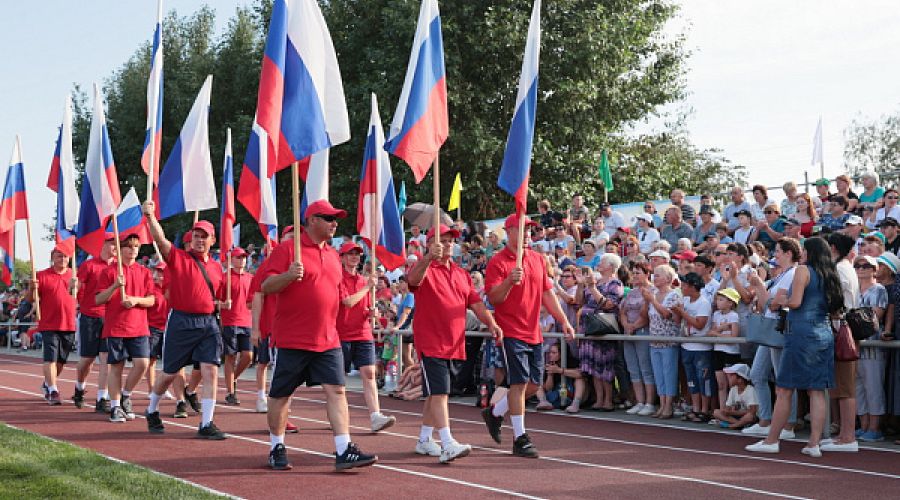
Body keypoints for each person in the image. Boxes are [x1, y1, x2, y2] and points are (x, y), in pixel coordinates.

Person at [258, 201, 378, 471]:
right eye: (328, 218)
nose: (334, 223)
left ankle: (343, 448)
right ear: (312, 220)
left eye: (336, 218)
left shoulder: (334, 255)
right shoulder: (288, 249)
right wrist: (288, 276)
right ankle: (277, 446)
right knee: (281, 395)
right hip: (292, 339)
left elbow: (337, 297)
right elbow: (266, 285)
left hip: (328, 338)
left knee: (337, 389)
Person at [407, 223, 502, 463]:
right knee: (440, 392)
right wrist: (428, 257)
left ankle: (424, 439)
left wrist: (491, 324)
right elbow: (413, 280)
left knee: (435, 394)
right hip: (430, 340)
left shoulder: (461, 273)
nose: (448, 244)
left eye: (451, 240)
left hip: (453, 341)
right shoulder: (424, 267)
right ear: (430, 244)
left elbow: (476, 304)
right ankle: (448, 442)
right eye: (443, 240)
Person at [483, 214, 575, 458]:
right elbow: (494, 298)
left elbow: (547, 294)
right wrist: (509, 282)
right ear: (509, 231)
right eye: (521, 230)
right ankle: (520, 438)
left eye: (529, 231)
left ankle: (494, 413)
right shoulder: (497, 262)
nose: (526, 235)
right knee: (519, 383)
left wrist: (563, 320)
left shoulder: (537, 259)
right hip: (509, 330)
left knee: (535, 385)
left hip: (533, 331)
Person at [746, 237, 844, 458]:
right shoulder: (830, 274)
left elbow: (796, 302)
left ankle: (772, 440)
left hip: (800, 333)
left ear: (809, 252)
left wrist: (781, 301)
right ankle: (813, 443)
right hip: (823, 334)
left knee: (784, 389)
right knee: (817, 391)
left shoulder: (803, 270)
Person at [141, 200, 226, 440]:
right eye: (196, 235)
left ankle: (207, 422)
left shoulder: (218, 268)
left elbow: (213, 294)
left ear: (212, 240)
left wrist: (220, 305)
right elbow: (161, 241)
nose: (200, 240)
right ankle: (152, 409)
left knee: (210, 370)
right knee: (169, 373)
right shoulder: (178, 258)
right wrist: (150, 216)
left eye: (204, 236)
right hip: (181, 322)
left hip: (208, 324)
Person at [743, 238, 800, 440]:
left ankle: (788, 424)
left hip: (779, 330)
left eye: (777, 251)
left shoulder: (792, 274)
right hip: (769, 330)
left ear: (788, 253)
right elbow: (763, 304)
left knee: (783, 380)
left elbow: (773, 304)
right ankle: (766, 420)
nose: (774, 255)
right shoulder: (781, 275)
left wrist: (759, 285)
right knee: (758, 374)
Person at [336, 241, 396, 433]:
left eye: (357, 254)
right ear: (343, 257)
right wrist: (366, 288)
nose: (354, 257)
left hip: (362, 333)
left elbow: (365, 308)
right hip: (341, 333)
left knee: (369, 373)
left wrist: (373, 314)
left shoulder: (364, 281)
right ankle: (339, 415)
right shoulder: (339, 279)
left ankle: (375, 416)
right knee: (339, 380)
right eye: (350, 254)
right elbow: (348, 302)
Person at [96, 233, 155, 423]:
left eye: (136, 247)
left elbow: (152, 299)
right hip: (116, 327)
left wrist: (136, 300)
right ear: (120, 250)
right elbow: (98, 299)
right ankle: (115, 406)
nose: (133, 250)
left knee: (143, 364)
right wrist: (115, 286)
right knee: (116, 367)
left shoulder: (144, 272)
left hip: (139, 327)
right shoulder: (108, 272)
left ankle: (126, 395)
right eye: (129, 246)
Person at [825, 232, 860, 452]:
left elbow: (835, 301)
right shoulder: (845, 267)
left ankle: (848, 437)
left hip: (843, 330)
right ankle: (844, 434)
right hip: (843, 329)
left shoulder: (840, 269)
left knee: (846, 387)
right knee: (842, 385)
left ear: (834, 248)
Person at [576, 254, 624, 411]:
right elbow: (579, 302)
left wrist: (592, 287)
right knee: (594, 368)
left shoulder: (615, 283)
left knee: (605, 367)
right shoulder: (594, 281)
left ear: (610, 266)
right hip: (589, 329)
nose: (599, 264)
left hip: (604, 330)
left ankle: (608, 400)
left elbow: (609, 305)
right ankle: (599, 399)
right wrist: (580, 285)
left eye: (602, 262)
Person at [73, 238, 116, 412]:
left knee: (106, 359)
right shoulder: (89, 265)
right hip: (90, 316)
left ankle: (101, 398)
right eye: (112, 243)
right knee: (87, 360)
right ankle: (79, 386)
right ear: (103, 244)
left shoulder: (118, 267)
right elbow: (77, 289)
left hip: (110, 318)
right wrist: (74, 289)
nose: (115, 247)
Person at [30, 248, 77, 406]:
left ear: (69, 258)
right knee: (50, 357)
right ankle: (53, 390)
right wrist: (32, 288)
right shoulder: (42, 276)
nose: (62, 258)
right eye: (59, 256)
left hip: (69, 323)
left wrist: (77, 286)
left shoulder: (74, 276)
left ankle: (48, 382)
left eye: (65, 256)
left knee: (60, 361)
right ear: (52, 258)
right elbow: (30, 299)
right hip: (48, 323)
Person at [854, 255, 888, 442]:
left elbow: (875, 316)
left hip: (872, 346)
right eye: (857, 265)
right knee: (858, 388)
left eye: (866, 265)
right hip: (855, 346)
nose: (861, 268)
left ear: (874, 269)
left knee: (873, 388)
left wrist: (853, 318)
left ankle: (875, 428)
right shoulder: (853, 289)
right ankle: (864, 425)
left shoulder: (879, 289)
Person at [672, 272, 713, 422]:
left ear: (693, 287)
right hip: (687, 345)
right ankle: (695, 409)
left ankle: (704, 410)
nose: (682, 287)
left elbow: (699, 324)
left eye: (685, 285)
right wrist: (677, 311)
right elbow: (678, 321)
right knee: (691, 380)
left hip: (701, 348)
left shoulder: (704, 302)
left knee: (703, 379)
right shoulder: (686, 300)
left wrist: (682, 312)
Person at [643, 264, 681, 419]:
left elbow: (667, 314)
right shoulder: (652, 293)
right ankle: (662, 403)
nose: (654, 277)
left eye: (658, 275)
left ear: (668, 278)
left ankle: (668, 405)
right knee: (658, 374)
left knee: (669, 374)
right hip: (654, 341)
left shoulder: (673, 295)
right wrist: (648, 300)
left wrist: (652, 300)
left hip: (669, 341)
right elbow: (645, 315)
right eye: (654, 274)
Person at [620, 262, 657, 416]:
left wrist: (634, 326)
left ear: (647, 274)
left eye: (638, 273)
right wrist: (626, 325)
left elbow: (647, 314)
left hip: (643, 332)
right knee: (633, 369)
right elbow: (622, 311)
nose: (634, 276)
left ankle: (649, 403)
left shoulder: (652, 291)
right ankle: (639, 402)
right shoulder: (631, 292)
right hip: (629, 334)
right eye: (633, 273)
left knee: (645, 368)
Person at [219, 247, 253, 406]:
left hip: (247, 321)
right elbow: (217, 300)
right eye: (238, 257)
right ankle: (230, 393)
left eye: (244, 258)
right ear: (231, 260)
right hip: (230, 322)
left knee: (248, 356)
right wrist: (222, 306)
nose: (242, 260)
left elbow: (253, 300)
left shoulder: (250, 278)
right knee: (230, 357)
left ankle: (233, 379)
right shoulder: (225, 278)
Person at [145, 262, 175, 413]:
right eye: (157, 272)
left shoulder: (171, 290)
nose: (158, 275)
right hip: (152, 328)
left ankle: (162, 387)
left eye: (162, 272)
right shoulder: (151, 289)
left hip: (169, 328)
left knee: (168, 362)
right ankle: (152, 389)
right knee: (151, 361)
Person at [707, 289, 742, 410]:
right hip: (718, 351)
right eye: (718, 299)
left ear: (730, 303)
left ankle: (733, 410)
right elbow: (711, 333)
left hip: (730, 353)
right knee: (721, 384)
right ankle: (722, 410)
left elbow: (733, 336)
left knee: (732, 384)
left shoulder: (734, 315)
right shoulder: (716, 315)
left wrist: (718, 333)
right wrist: (722, 328)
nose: (718, 302)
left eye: (721, 299)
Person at [712, 364, 758, 429]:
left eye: (731, 376)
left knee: (750, 416)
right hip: (736, 416)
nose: (729, 378)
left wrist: (733, 412)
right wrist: (726, 411)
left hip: (746, 416)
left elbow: (752, 411)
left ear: (740, 379)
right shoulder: (733, 389)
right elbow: (727, 407)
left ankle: (734, 425)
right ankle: (739, 424)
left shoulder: (750, 390)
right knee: (716, 412)